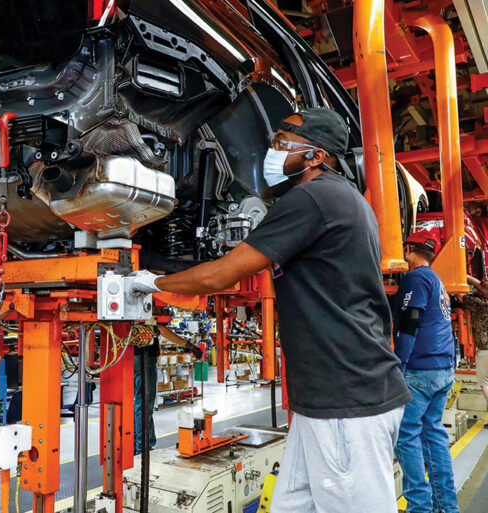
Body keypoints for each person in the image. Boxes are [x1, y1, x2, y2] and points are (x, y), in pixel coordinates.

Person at [131, 108, 410, 513]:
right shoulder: (339, 197)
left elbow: (218, 277)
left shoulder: (313, 197)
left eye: (283, 143)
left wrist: (148, 282)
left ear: (315, 156)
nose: (272, 150)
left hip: (345, 400)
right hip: (327, 398)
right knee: (290, 506)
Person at [391, 230, 459, 513]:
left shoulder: (416, 277)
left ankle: (419, 507)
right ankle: (446, 506)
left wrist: (399, 365)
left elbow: (410, 320)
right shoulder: (436, 279)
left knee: (406, 434)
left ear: (408, 250)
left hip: (420, 369)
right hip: (443, 367)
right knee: (433, 433)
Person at [134, 326, 203, 454]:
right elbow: (163, 330)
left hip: (133, 358)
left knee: (137, 403)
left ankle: (137, 444)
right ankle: (143, 448)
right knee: (144, 405)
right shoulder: (149, 313)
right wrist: (190, 346)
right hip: (145, 358)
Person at [459, 275, 488, 415]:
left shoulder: (480, 304)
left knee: (485, 384)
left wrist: (461, 274)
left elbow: (460, 295)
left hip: (485, 350)